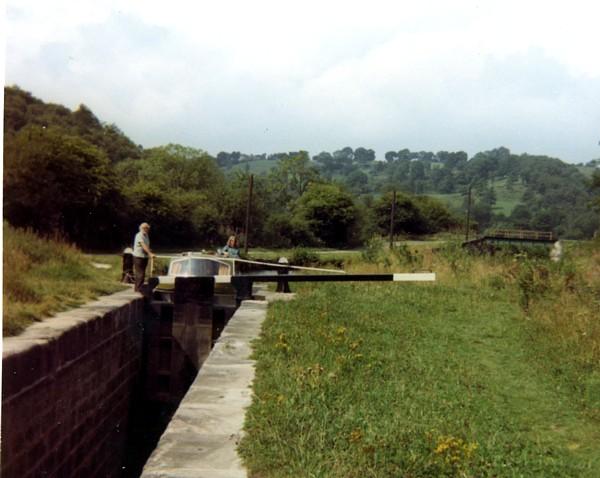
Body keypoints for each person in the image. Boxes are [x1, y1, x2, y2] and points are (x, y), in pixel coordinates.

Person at [132, 222, 155, 292]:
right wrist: (150, 253)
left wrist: (149, 251)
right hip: (138, 257)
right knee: (140, 274)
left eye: (148, 228)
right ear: (142, 228)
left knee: (142, 274)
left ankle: (138, 289)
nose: (147, 230)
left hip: (144, 257)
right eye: (146, 228)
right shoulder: (139, 235)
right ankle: (138, 290)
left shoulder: (146, 235)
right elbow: (143, 245)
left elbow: (146, 245)